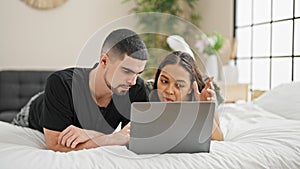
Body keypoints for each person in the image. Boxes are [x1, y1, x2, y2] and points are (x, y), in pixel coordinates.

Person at [12, 28, 149, 152]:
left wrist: (90, 134)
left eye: (138, 73)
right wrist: (111, 139)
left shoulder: (136, 88)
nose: (133, 81)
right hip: (33, 113)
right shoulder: (61, 83)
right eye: (126, 71)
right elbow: (54, 144)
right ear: (104, 61)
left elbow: (135, 138)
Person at [147, 51, 224, 141]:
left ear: (191, 88)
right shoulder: (147, 92)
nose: (169, 91)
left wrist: (203, 108)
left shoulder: (206, 96)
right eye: (164, 81)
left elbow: (219, 139)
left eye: (179, 85)